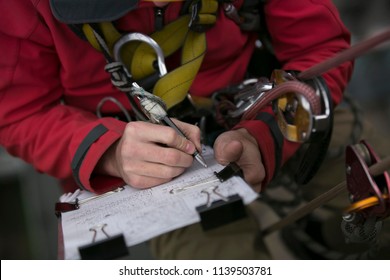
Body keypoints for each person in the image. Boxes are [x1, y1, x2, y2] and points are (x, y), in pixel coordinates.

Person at [0, 0, 353, 259]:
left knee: (372, 204)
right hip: (140, 171)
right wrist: (109, 152)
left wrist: (266, 137)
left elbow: (320, 48)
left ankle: (323, 239)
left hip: (270, 104)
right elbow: (20, 114)